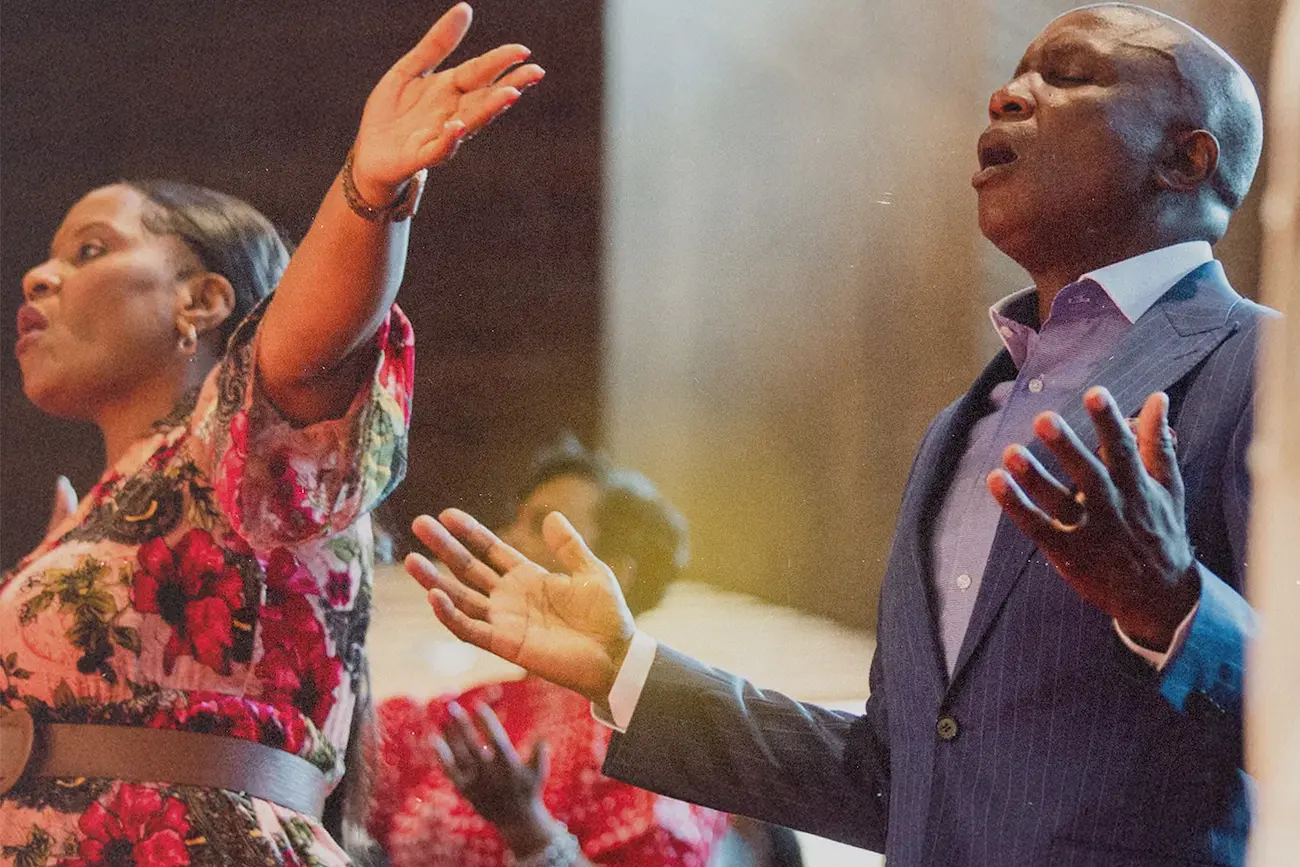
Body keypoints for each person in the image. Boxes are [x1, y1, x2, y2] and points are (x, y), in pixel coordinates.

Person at [402, 5, 1269, 866]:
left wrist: (1175, 608)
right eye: (1015, 73)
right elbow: (889, 778)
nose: (1008, 94)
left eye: (1069, 75)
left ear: (1184, 158)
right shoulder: (959, 432)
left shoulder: (1267, 368)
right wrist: (626, 667)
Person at [0, 5, 543, 865]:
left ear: (203, 302)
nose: (39, 273)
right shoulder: (112, 510)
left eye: (89, 249)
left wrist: (369, 193)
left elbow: (309, 343)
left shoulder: (249, 447)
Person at [370, 437, 728, 867]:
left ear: (613, 573)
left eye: (538, 526)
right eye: (516, 521)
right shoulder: (468, 713)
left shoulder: (658, 740)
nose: (507, 539)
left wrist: (527, 828)